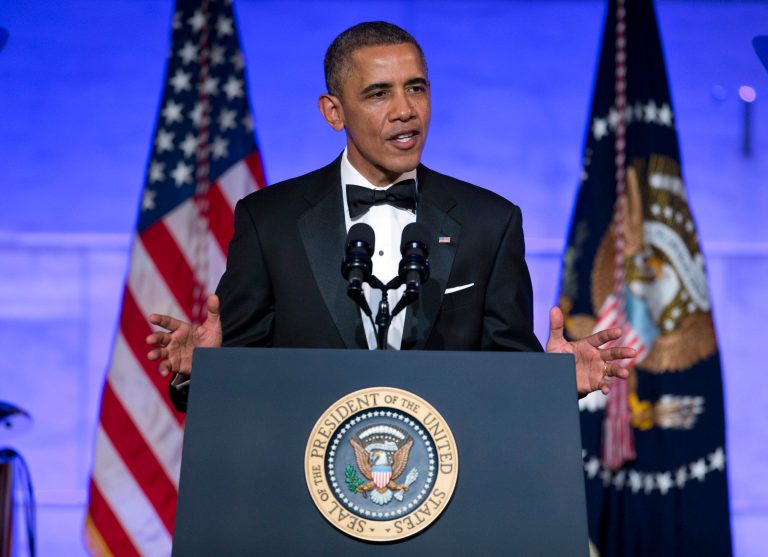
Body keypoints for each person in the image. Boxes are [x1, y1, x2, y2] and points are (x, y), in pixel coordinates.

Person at [147, 21, 634, 411]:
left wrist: (552, 383)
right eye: (379, 93)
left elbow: (505, 379)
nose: (405, 110)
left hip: (446, 498)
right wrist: (203, 371)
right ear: (333, 111)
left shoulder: (491, 221)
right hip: (302, 498)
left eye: (416, 88)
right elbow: (241, 381)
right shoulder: (270, 220)